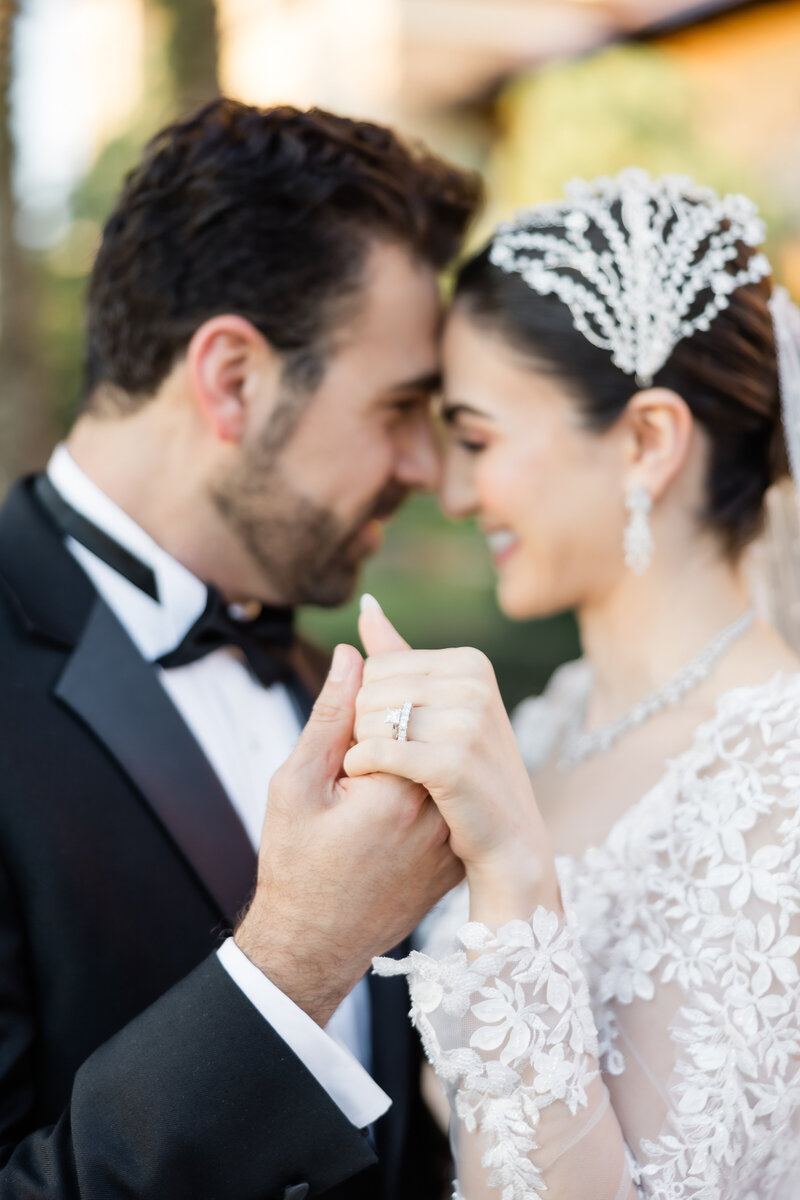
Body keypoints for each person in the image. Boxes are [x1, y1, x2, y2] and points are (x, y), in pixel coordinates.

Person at [0, 97, 481, 1198]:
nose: (426, 470)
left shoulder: (323, 679)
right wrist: (298, 956)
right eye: (400, 406)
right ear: (231, 379)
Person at [348, 169, 800, 1197]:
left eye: (476, 439)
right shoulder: (546, 725)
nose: (453, 492)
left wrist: (511, 868)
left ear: (644, 440)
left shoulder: (783, 783)